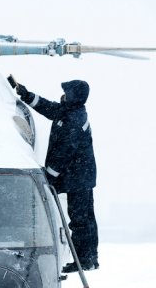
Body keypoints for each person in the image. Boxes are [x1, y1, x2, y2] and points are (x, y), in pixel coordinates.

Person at [14, 78, 99, 272]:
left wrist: (50, 175)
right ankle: (90, 257)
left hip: (78, 178)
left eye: (67, 92)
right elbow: (48, 107)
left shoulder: (74, 120)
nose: (63, 94)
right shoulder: (68, 111)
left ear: (74, 96)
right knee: (85, 218)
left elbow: (64, 152)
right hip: (80, 176)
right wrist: (27, 95)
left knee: (80, 219)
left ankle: (84, 260)